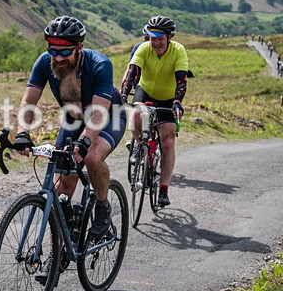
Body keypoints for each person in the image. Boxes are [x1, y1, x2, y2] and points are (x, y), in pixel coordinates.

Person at [10, 16, 126, 263]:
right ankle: (60, 249)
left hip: (108, 117)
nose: (58, 57)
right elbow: (28, 101)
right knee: (62, 188)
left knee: (93, 156)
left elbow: (99, 112)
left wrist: (84, 142)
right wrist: (22, 133)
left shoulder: (99, 64)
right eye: (53, 50)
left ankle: (103, 207)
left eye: (64, 51)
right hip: (73, 121)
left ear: (79, 48)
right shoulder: (45, 63)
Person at [120, 15, 188, 207]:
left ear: (169, 38)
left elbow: (182, 80)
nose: (156, 42)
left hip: (168, 97)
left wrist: (177, 101)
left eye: (160, 39)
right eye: (153, 38)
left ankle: (164, 189)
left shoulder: (178, 51)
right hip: (146, 91)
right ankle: (139, 144)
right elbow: (132, 72)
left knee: (167, 142)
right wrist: (124, 95)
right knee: (135, 115)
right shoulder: (143, 49)